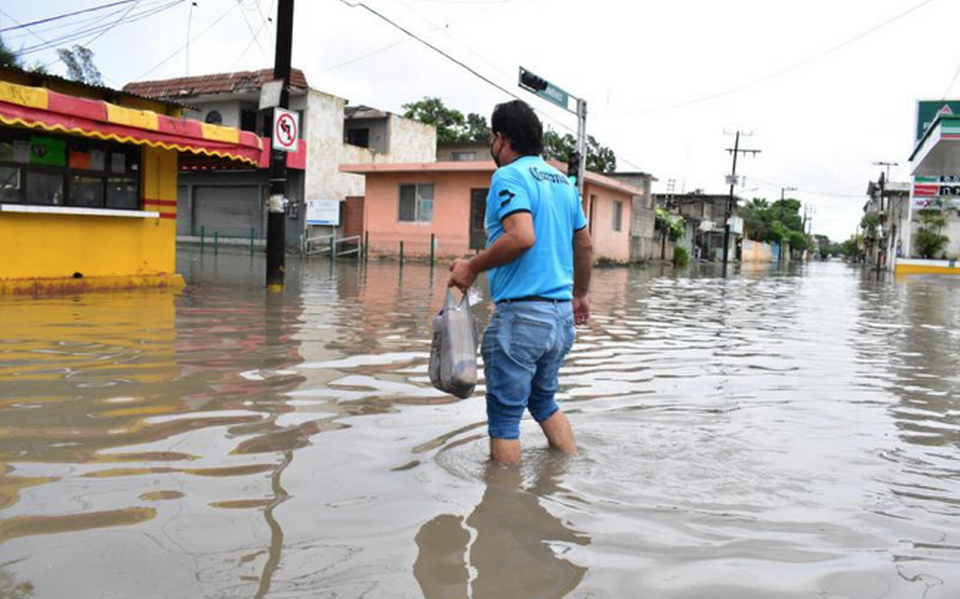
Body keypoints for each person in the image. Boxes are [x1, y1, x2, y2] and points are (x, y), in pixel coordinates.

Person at [448, 99, 593, 464]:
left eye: (491, 139)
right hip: (561, 318)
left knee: (504, 420)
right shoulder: (564, 183)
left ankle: (506, 511)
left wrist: (472, 267)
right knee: (544, 401)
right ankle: (569, 470)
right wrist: (581, 296)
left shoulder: (508, 176)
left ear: (501, 139)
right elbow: (585, 244)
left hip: (522, 318)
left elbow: (521, 236)